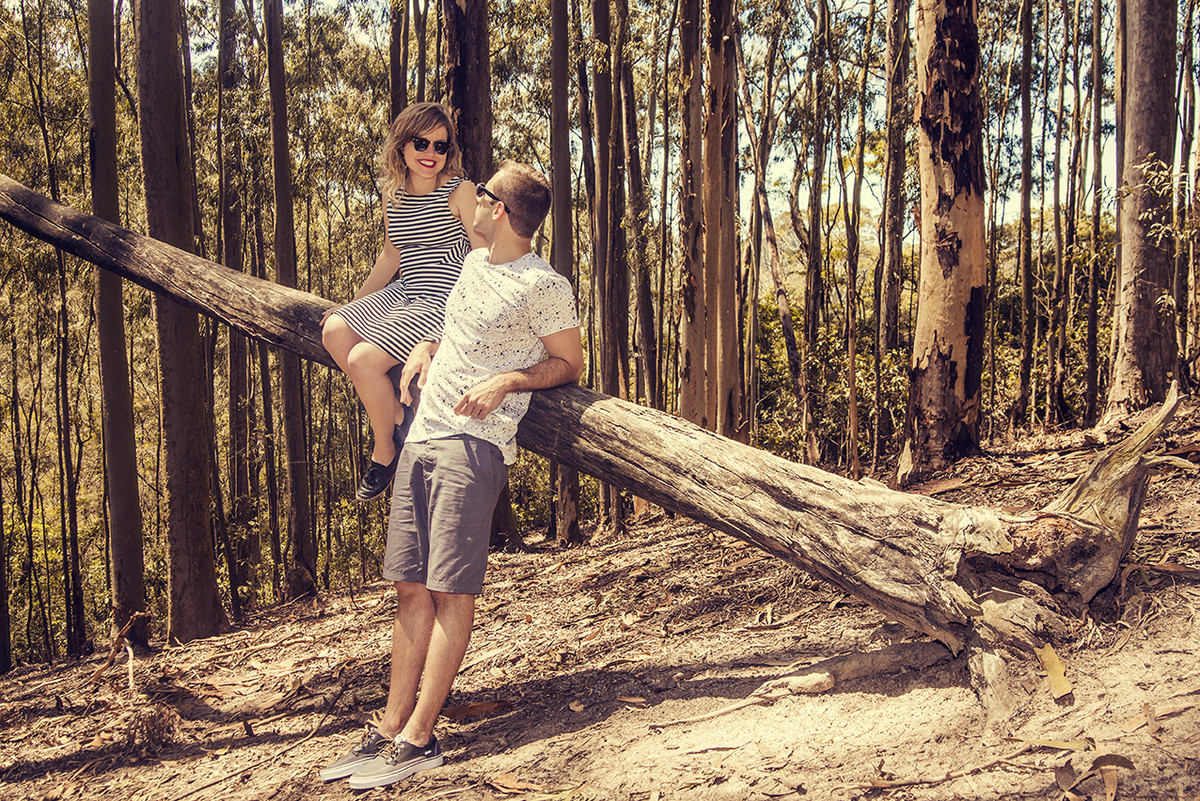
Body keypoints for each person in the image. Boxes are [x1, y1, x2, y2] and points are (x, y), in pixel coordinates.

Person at [320, 161, 583, 789]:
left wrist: (510, 380)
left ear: (500, 211)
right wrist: (425, 348)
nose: (471, 199)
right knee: (410, 588)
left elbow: (569, 362)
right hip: (423, 437)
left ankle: (420, 737)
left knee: (449, 593)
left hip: (474, 446)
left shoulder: (543, 284)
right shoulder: (470, 265)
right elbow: (454, 333)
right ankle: (388, 728)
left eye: (483, 193)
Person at [322, 102, 485, 501]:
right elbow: (391, 255)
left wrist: (468, 320)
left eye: (441, 146)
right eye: (421, 142)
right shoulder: (392, 194)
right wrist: (352, 302)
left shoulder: (460, 191)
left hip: (444, 299)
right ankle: (395, 412)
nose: (431, 153)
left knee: (362, 361)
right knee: (334, 329)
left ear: (450, 151)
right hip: (406, 290)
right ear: (402, 145)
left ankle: (385, 449)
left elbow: (482, 257)